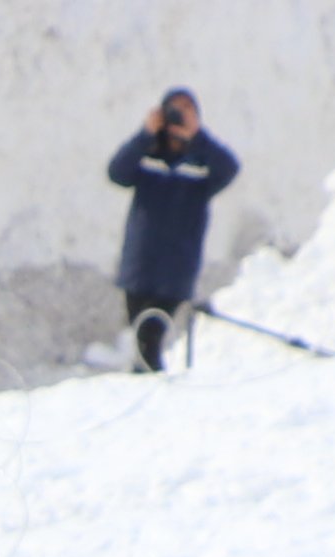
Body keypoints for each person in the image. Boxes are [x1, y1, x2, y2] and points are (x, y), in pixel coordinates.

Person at [109, 88, 238, 370]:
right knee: (141, 336)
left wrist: (198, 136)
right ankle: (147, 384)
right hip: (141, 264)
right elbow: (117, 172)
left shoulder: (202, 163)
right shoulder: (147, 153)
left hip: (176, 268)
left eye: (187, 110)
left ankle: (149, 387)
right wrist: (145, 134)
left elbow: (229, 169)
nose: (179, 116)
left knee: (150, 336)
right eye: (174, 110)